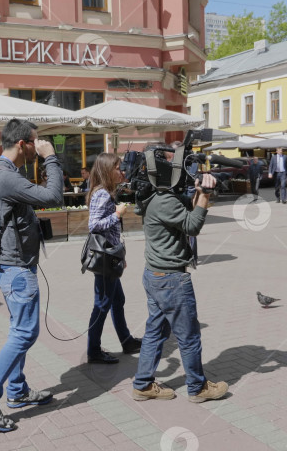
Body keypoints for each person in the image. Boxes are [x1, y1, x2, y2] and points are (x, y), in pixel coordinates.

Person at [0, 119, 63, 433]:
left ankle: (18, 391)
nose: (39, 146)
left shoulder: (1, 172)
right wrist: (51, 158)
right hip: (16, 269)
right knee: (24, 334)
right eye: (37, 141)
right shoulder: (6, 178)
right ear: (23, 143)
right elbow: (53, 197)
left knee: (18, 330)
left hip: (10, 266)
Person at [131, 166, 229, 403]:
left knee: (155, 332)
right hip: (171, 280)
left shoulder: (155, 197)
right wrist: (204, 194)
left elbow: (187, 210)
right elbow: (192, 225)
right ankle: (197, 387)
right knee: (189, 336)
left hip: (155, 274)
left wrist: (198, 194)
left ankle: (142, 384)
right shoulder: (165, 201)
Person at [85, 153, 142, 365]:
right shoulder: (101, 194)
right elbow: (94, 225)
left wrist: (120, 253)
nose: (122, 171)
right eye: (118, 168)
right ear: (108, 170)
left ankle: (126, 340)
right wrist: (117, 215)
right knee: (102, 304)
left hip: (111, 255)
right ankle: (94, 350)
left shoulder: (105, 191)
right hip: (105, 258)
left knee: (117, 300)